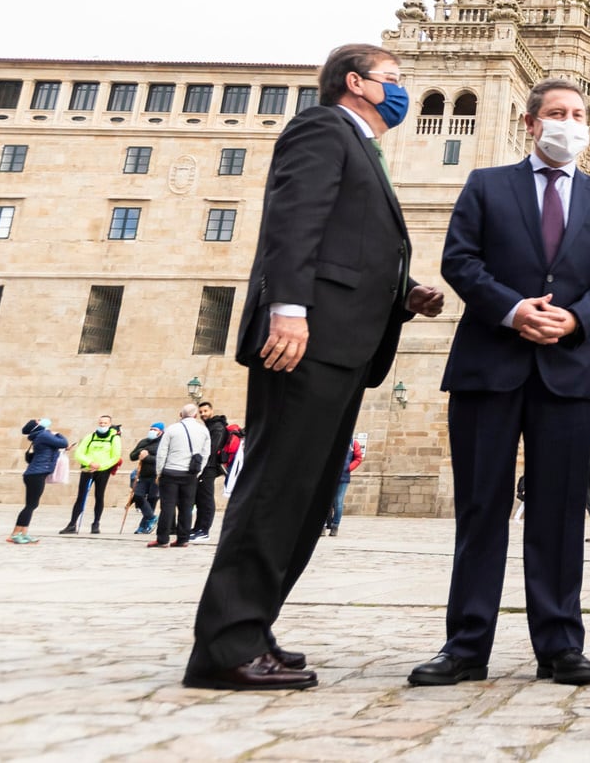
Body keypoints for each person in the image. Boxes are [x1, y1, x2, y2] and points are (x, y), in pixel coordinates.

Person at [186, 43, 445, 692]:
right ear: (356, 83)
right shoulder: (323, 128)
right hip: (305, 341)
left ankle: (251, 629)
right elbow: (293, 222)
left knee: (303, 496)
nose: (401, 90)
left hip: (340, 344)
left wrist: (403, 293)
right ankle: (225, 647)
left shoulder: (361, 146)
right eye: (392, 79)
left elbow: (347, 244)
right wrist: (289, 311)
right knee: (277, 489)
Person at [412, 78, 590, 689]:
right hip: (490, 364)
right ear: (532, 123)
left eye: (579, 114)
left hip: (567, 370)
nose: (570, 122)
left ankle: (560, 643)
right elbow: (459, 260)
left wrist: (577, 318)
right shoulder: (486, 185)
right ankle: (466, 645)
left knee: (560, 512)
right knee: (480, 507)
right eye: (557, 113)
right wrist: (514, 311)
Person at [153, 405, 213, 548]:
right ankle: (183, 539)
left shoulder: (172, 429)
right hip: (190, 474)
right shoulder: (203, 430)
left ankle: (162, 539)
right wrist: (198, 471)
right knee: (186, 507)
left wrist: (159, 472)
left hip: (170, 472)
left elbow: (162, 453)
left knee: (167, 507)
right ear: (195, 415)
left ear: (181, 414)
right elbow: (206, 453)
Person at [62, 415, 124, 535]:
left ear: (110, 424)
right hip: (88, 469)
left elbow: (115, 456)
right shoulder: (90, 436)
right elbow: (79, 453)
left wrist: (100, 466)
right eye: (101, 423)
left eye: (105, 423)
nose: (102, 425)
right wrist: (89, 463)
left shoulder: (114, 438)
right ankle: (72, 524)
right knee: (81, 496)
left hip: (103, 471)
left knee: (99, 496)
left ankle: (96, 523)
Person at [10, 418, 69, 544]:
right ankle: (15, 534)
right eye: (38, 420)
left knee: (32, 505)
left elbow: (55, 449)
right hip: (36, 475)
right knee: (30, 505)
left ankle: (23, 533)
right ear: (36, 426)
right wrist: (57, 434)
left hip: (35, 474)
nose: (42, 420)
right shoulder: (43, 435)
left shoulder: (41, 436)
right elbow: (64, 442)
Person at [191, 400, 230, 541]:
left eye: (205, 411)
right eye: (201, 412)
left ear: (211, 411)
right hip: (206, 466)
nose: (203, 414)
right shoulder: (210, 426)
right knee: (200, 498)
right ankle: (197, 528)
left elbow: (212, 449)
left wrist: (201, 463)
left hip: (210, 466)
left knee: (206, 499)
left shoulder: (217, 426)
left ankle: (204, 531)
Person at [129, 424, 165, 534]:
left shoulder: (163, 443)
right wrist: (141, 452)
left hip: (156, 475)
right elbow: (132, 456)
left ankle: (143, 527)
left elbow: (162, 459)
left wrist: (147, 457)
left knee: (152, 500)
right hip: (143, 475)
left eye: (155, 430)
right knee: (138, 496)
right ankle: (151, 517)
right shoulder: (144, 442)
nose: (152, 431)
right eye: (151, 429)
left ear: (161, 431)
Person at [327, 435, 363, 537]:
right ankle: (323, 526)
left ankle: (335, 526)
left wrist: (348, 468)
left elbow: (358, 458)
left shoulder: (353, 443)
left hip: (343, 477)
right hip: (328, 476)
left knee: (338, 502)